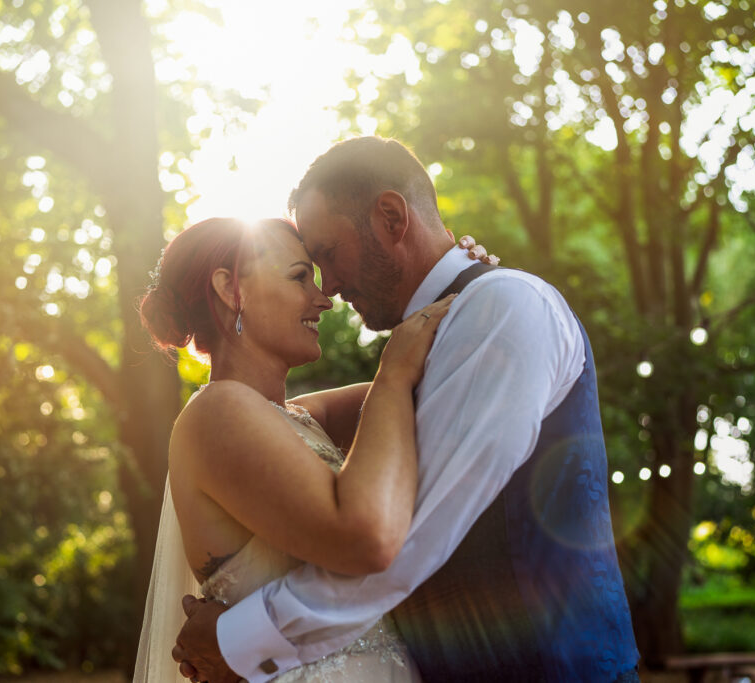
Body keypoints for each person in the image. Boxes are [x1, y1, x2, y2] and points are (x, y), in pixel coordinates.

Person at [173, 137, 641, 683]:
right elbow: (272, 421)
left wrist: (240, 640)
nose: (329, 289)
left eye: (325, 257)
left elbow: (409, 535)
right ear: (231, 292)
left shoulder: (501, 307)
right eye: (303, 273)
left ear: (392, 217)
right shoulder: (428, 345)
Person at [133, 215, 472, 682]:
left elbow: (435, 377)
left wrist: (464, 273)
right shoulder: (217, 411)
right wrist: (393, 372)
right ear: (232, 290)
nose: (324, 299)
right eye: (298, 277)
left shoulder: (297, 417)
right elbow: (357, 535)